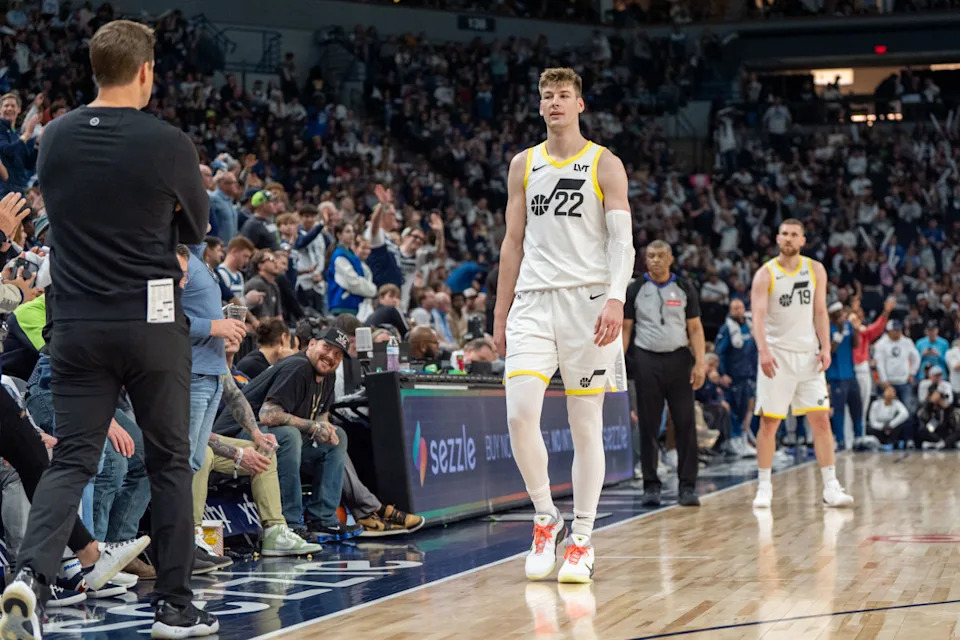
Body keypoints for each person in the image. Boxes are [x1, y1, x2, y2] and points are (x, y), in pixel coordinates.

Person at [0, 20, 219, 640]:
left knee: (71, 459)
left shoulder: (55, 139)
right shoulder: (168, 143)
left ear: (96, 71)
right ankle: (175, 609)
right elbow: (197, 228)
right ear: (146, 72)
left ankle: (31, 580)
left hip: (75, 322)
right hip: (149, 321)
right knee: (172, 462)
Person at [493, 67, 634, 584]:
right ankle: (545, 517)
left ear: (580, 105)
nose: (554, 103)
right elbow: (512, 242)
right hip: (532, 301)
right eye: (547, 96)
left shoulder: (605, 163)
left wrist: (617, 299)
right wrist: (499, 309)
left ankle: (582, 538)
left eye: (564, 96)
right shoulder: (522, 164)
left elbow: (622, 241)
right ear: (539, 106)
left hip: (590, 303)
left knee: (584, 423)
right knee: (519, 413)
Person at [750, 219, 853, 510]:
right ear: (777, 237)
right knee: (770, 423)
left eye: (794, 234)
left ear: (803, 240)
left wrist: (825, 346)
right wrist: (763, 351)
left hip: (808, 356)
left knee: (821, 419)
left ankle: (831, 486)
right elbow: (757, 317)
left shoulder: (815, 269)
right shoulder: (765, 274)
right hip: (777, 357)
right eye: (784, 233)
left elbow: (820, 311)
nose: (788, 238)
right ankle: (764, 486)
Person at [622, 241, 706, 508]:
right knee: (648, 424)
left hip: (680, 359)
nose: (655, 260)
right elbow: (625, 329)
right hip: (646, 358)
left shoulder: (684, 287)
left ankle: (687, 486)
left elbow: (695, 329)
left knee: (685, 423)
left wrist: (700, 363)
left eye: (660, 256)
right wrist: (618, 364)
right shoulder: (635, 288)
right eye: (650, 256)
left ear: (670, 258)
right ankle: (651, 486)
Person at [714, 298, 758, 457]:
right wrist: (722, 373)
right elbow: (719, 352)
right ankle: (733, 440)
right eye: (735, 308)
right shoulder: (727, 329)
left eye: (740, 307)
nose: (738, 310)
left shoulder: (749, 326)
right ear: (730, 311)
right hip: (733, 377)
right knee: (734, 410)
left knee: (745, 410)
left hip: (748, 375)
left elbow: (754, 352)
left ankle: (742, 439)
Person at [825, 302, 862, 450]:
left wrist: (857, 330)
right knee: (838, 411)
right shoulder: (827, 328)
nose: (842, 316)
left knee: (856, 409)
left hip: (851, 375)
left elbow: (855, 345)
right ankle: (840, 440)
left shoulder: (848, 325)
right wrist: (839, 335)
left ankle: (859, 438)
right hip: (836, 377)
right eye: (838, 314)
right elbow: (830, 351)